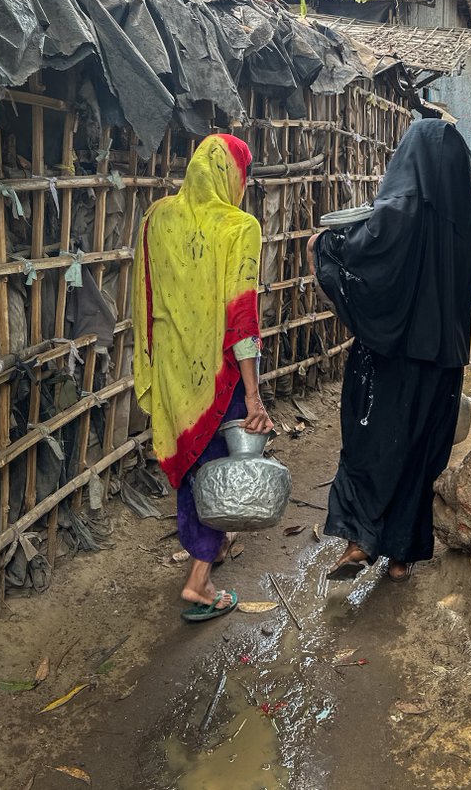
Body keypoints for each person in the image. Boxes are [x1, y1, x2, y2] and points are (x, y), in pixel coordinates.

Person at [309, 118, 471, 583]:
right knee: (421, 454)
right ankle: (401, 558)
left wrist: (324, 246)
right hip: (444, 361)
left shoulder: (398, 209)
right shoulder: (465, 218)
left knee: (372, 446)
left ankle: (360, 540)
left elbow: (365, 260)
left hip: (389, 359)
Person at [132, 134, 273, 622]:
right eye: (245, 175)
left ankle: (205, 550)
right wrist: (253, 396)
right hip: (217, 372)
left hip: (171, 368)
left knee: (194, 465)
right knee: (217, 468)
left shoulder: (155, 218)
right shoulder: (240, 227)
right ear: (232, 176)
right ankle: (199, 581)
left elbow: (147, 296)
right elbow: (241, 319)